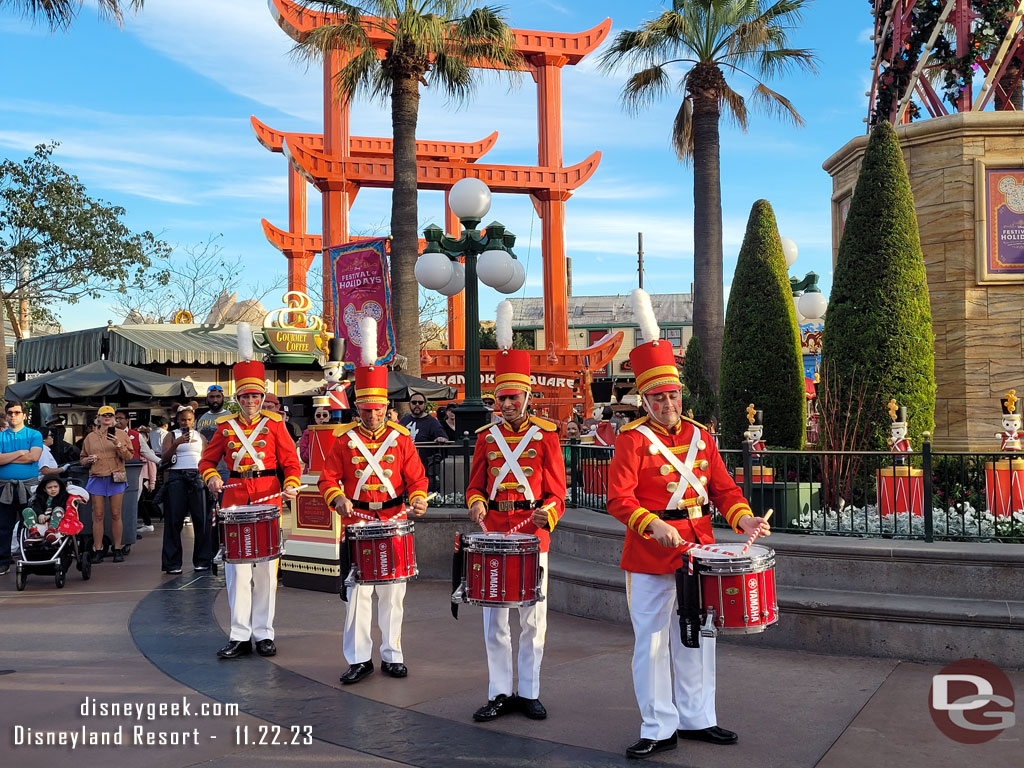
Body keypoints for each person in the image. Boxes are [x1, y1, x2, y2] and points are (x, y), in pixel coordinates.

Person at [606, 289, 771, 761]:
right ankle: (658, 725)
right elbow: (619, 499)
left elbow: (724, 489)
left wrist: (744, 520)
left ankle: (699, 717)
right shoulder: (632, 440)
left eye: (673, 394)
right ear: (646, 398)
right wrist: (651, 525)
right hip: (650, 553)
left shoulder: (701, 436)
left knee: (698, 635)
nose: (667, 403)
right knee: (653, 643)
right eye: (657, 397)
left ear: (682, 393)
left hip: (699, 549)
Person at [465, 300, 566, 723]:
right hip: (494, 532)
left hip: (531, 533)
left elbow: (559, 490)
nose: (507, 403)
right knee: (495, 621)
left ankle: (530, 691)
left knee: (533, 619)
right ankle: (499, 691)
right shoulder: (486, 439)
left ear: (526, 396)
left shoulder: (546, 436)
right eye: (501, 398)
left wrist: (549, 513)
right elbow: (474, 484)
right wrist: (476, 504)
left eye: (514, 397)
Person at [318, 321, 429, 685]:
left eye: (378, 409)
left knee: (393, 594)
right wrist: (337, 501)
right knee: (358, 596)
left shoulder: (401, 440)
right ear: (357, 409)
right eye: (365, 410)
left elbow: (417, 477)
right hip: (358, 522)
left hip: (394, 517)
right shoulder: (342, 439)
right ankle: (359, 658)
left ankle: (392, 655)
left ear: (386, 407)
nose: (372, 415)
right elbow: (328, 478)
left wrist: (417, 499)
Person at [200, 323, 301, 660]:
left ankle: (264, 633)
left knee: (265, 572)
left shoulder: (275, 424)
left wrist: (290, 485)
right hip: (234, 502)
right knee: (237, 573)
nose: (251, 401)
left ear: (262, 396)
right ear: (238, 397)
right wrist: (213, 477)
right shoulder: (225, 426)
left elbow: (291, 462)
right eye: (245, 396)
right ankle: (239, 635)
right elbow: (207, 461)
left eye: (256, 395)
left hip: (268, 499)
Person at [161, 406, 212, 575]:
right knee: (174, 521)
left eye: (189, 419)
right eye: (183, 420)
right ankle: (172, 563)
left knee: (201, 520)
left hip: (197, 476)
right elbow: (164, 458)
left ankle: (202, 561)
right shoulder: (171, 435)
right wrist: (176, 443)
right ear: (178, 421)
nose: (186, 422)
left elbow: (206, 460)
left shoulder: (201, 437)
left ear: (194, 420)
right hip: (177, 477)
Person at [80, 406, 134, 564]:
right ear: (98, 418)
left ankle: (117, 548)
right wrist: (88, 460)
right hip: (97, 476)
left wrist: (118, 445)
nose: (107, 417)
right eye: (104, 415)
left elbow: (129, 456)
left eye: (110, 415)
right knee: (97, 515)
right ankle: (98, 549)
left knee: (116, 513)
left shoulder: (122, 435)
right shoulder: (90, 437)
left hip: (116, 475)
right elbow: (82, 458)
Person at [0, 401, 43, 576]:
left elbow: (33, 457)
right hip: (4, 488)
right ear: (6, 415)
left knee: (31, 524)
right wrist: (19, 453)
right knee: (3, 525)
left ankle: (32, 559)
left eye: (17, 412)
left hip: (29, 487)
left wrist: (7, 458)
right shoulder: (1, 436)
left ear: (24, 415)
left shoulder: (34, 434)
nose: (13, 415)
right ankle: (3, 561)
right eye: (10, 412)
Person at [400, 395, 448, 493]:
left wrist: (441, 438)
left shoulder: (432, 421)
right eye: (414, 402)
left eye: (420, 402)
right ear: (409, 404)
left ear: (425, 405)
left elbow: (443, 436)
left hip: (423, 464)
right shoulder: (404, 420)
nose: (417, 405)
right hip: (403, 463)